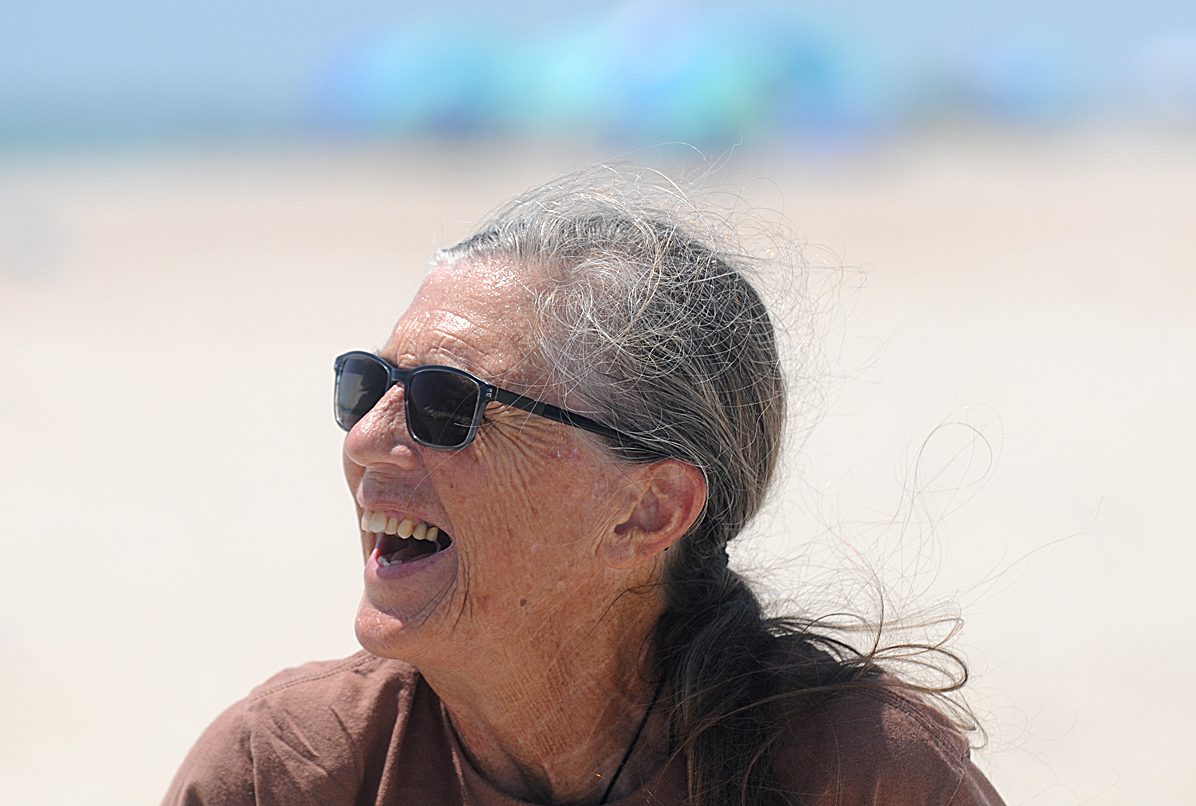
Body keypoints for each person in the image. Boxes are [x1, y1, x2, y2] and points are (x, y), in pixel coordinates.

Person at [163, 167, 1005, 805]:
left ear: (649, 511)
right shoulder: (284, 774)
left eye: (448, 404)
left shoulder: (860, 774)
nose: (368, 436)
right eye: (367, 384)